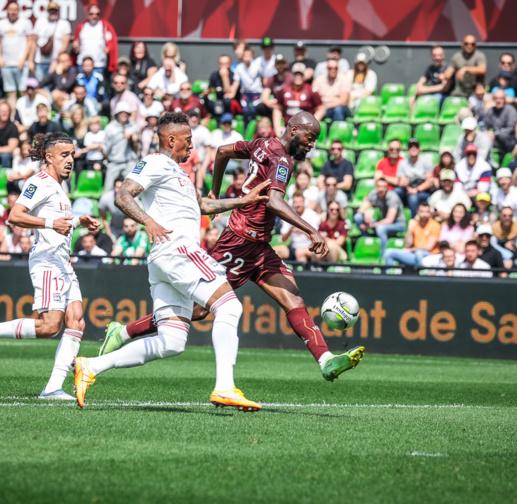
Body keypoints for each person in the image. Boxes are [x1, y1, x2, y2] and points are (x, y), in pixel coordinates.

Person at [101, 112, 365, 386]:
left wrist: (214, 190)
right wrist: (311, 229)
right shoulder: (281, 159)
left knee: (294, 300)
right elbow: (274, 202)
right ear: (294, 129)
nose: (311, 146)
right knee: (201, 310)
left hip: (260, 246)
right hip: (238, 242)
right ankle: (123, 332)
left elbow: (223, 151)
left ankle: (325, 359)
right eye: (309, 138)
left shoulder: (262, 144)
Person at [72, 112, 273, 410]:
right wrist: (148, 220)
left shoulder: (179, 173)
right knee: (229, 305)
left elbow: (201, 204)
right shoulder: (155, 162)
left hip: (165, 260)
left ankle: (91, 366)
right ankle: (225, 387)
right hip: (178, 250)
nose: (192, 146)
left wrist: (241, 202)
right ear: (170, 140)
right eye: (187, 140)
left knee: (172, 342)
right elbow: (123, 194)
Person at [0, 132, 100, 400]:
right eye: (64, 155)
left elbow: (58, 222)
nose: (70, 160)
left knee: (77, 321)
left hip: (62, 261)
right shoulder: (39, 182)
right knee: (49, 326)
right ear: (49, 157)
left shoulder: (59, 186)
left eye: (72, 154)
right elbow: (15, 215)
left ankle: (52, 388)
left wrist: (80, 221)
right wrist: (49, 224)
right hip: (47, 261)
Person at [0, 2, 35, 109]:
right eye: (11, 9)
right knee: (11, 93)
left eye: (15, 9)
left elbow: (30, 42)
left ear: (19, 11)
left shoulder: (25, 23)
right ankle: (11, 118)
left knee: (23, 91)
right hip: (6, 64)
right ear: (7, 10)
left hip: (21, 64)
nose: (13, 12)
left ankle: (24, 117)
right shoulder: (0, 24)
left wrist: (24, 59)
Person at [354, 177, 406, 251]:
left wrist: (372, 226)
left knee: (380, 228)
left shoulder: (392, 197)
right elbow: (360, 209)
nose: (381, 189)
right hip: (382, 221)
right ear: (376, 186)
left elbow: (389, 220)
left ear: (387, 188)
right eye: (379, 186)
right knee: (358, 217)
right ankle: (370, 243)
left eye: (383, 187)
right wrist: (366, 212)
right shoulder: (373, 193)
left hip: (398, 224)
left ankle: (383, 255)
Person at [384, 201, 441, 267]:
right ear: (417, 212)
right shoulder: (414, 224)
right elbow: (407, 245)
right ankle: (389, 276)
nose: (424, 215)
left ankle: (420, 276)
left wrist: (411, 250)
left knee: (419, 254)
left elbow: (428, 247)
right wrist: (410, 229)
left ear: (430, 213)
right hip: (414, 255)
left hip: (429, 255)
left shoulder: (435, 225)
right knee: (389, 252)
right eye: (422, 211)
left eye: (427, 212)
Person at [272, 62, 324, 130]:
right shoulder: (284, 90)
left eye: (301, 74)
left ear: (304, 76)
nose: (298, 76)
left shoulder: (311, 90)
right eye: (296, 74)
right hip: (288, 128)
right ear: (292, 75)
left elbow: (321, 108)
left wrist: (312, 123)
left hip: (305, 130)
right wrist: (277, 127)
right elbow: (277, 108)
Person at [72, 4, 118, 78]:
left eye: (97, 14)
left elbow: (112, 44)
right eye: (91, 14)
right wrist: (75, 47)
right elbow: (76, 46)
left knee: (99, 89)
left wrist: (108, 49)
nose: (94, 16)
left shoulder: (105, 26)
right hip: (82, 65)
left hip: (99, 65)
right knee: (81, 89)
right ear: (87, 14)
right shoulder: (81, 27)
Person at [274, 192, 321, 262]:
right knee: (274, 251)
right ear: (292, 203)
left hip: (309, 247)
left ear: (304, 202)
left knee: (299, 252)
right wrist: (291, 230)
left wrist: (303, 231)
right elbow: (283, 239)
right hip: (293, 247)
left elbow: (316, 238)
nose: (298, 205)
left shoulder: (312, 215)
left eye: (300, 202)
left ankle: (304, 272)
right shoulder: (289, 215)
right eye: (295, 202)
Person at [103, 102, 140, 191]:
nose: (123, 115)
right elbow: (105, 147)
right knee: (108, 189)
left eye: (126, 113)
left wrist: (133, 138)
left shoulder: (134, 126)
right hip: (114, 162)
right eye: (121, 112)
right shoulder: (110, 128)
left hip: (129, 162)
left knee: (133, 188)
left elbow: (138, 144)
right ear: (117, 114)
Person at [32, 1, 71, 81]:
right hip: (40, 61)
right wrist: (31, 61)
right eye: (51, 10)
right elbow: (33, 42)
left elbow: (65, 45)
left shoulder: (64, 23)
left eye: (55, 10)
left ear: (59, 11)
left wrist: (56, 60)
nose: (53, 12)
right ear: (47, 11)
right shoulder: (40, 22)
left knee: (53, 87)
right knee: (40, 85)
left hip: (56, 62)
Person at [396, 138, 434, 215]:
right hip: (408, 188)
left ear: (420, 149)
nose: (413, 148)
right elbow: (401, 182)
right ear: (407, 149)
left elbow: (429, 182)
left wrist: (416, 190)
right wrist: (405, 184)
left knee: (413, 198)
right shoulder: (403, 163)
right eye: (411, 146)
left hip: (422, 190)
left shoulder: (426, 161)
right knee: (396, 192)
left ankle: (414, 220)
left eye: (416, 146)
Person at [491, 206, 517, 270]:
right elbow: (493, 244)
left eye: (510, 216)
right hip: (500, 255)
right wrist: (504, 243)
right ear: (500, 216)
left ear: (513, 216)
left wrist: (511, 260)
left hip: (515, 255)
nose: (507, 218)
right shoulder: (494, 226)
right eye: (504, 215)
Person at [483, 89, 517, 153]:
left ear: (504, 99)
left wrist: (495, 134)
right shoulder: (491, 110)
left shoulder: (511, 110)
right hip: (495, 139)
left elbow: (510, 128)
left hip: (508, 139)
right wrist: (486, 132)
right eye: (496, 98)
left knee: (504, 137)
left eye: (501, 98)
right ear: (493, 100)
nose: (498, 101)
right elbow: (484, 126)